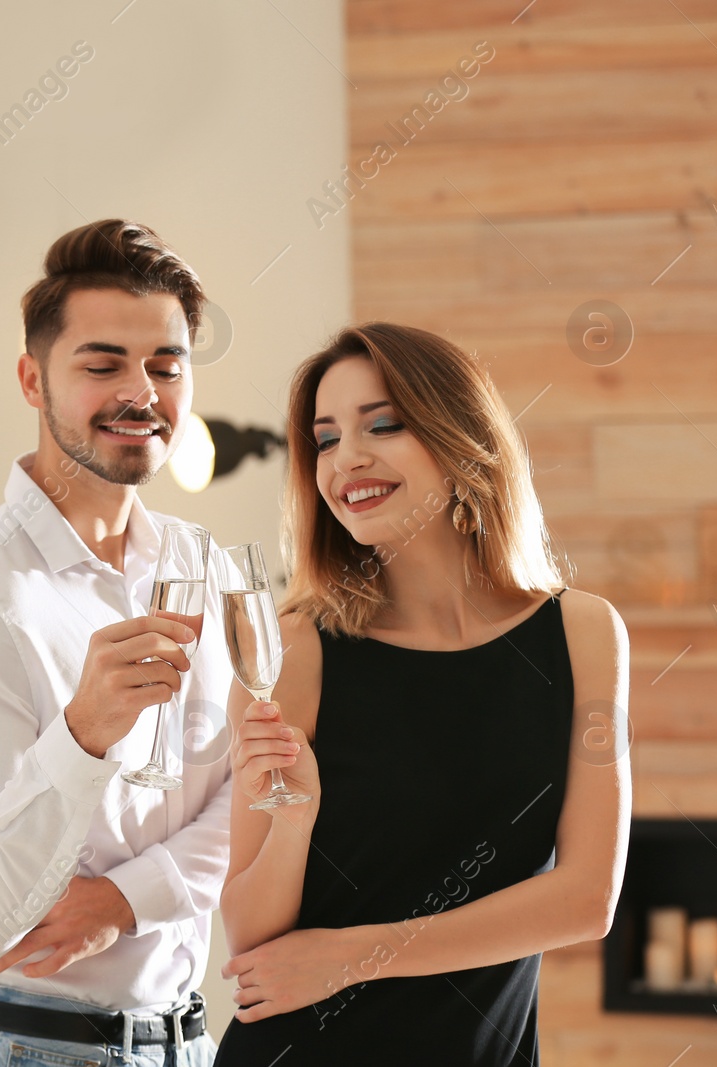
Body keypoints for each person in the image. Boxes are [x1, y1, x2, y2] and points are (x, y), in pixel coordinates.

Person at [214, 323, 630, 1064]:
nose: (349, 458)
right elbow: (249, 939)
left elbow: (586, 897)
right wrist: (293, 818)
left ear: (460, 436)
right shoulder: (295, 648)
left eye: (383, 424)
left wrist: (356, 956)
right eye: (326, 438)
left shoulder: (584, 634)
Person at [0, 219, 232, 1066]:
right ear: (30, 378)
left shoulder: (203, 565)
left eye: (167, 364)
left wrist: (124, 899)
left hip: (188, 1042)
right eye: (102, 363)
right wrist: (82, 733)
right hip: (24, 1047)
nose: (142, 391)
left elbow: (259, 792)